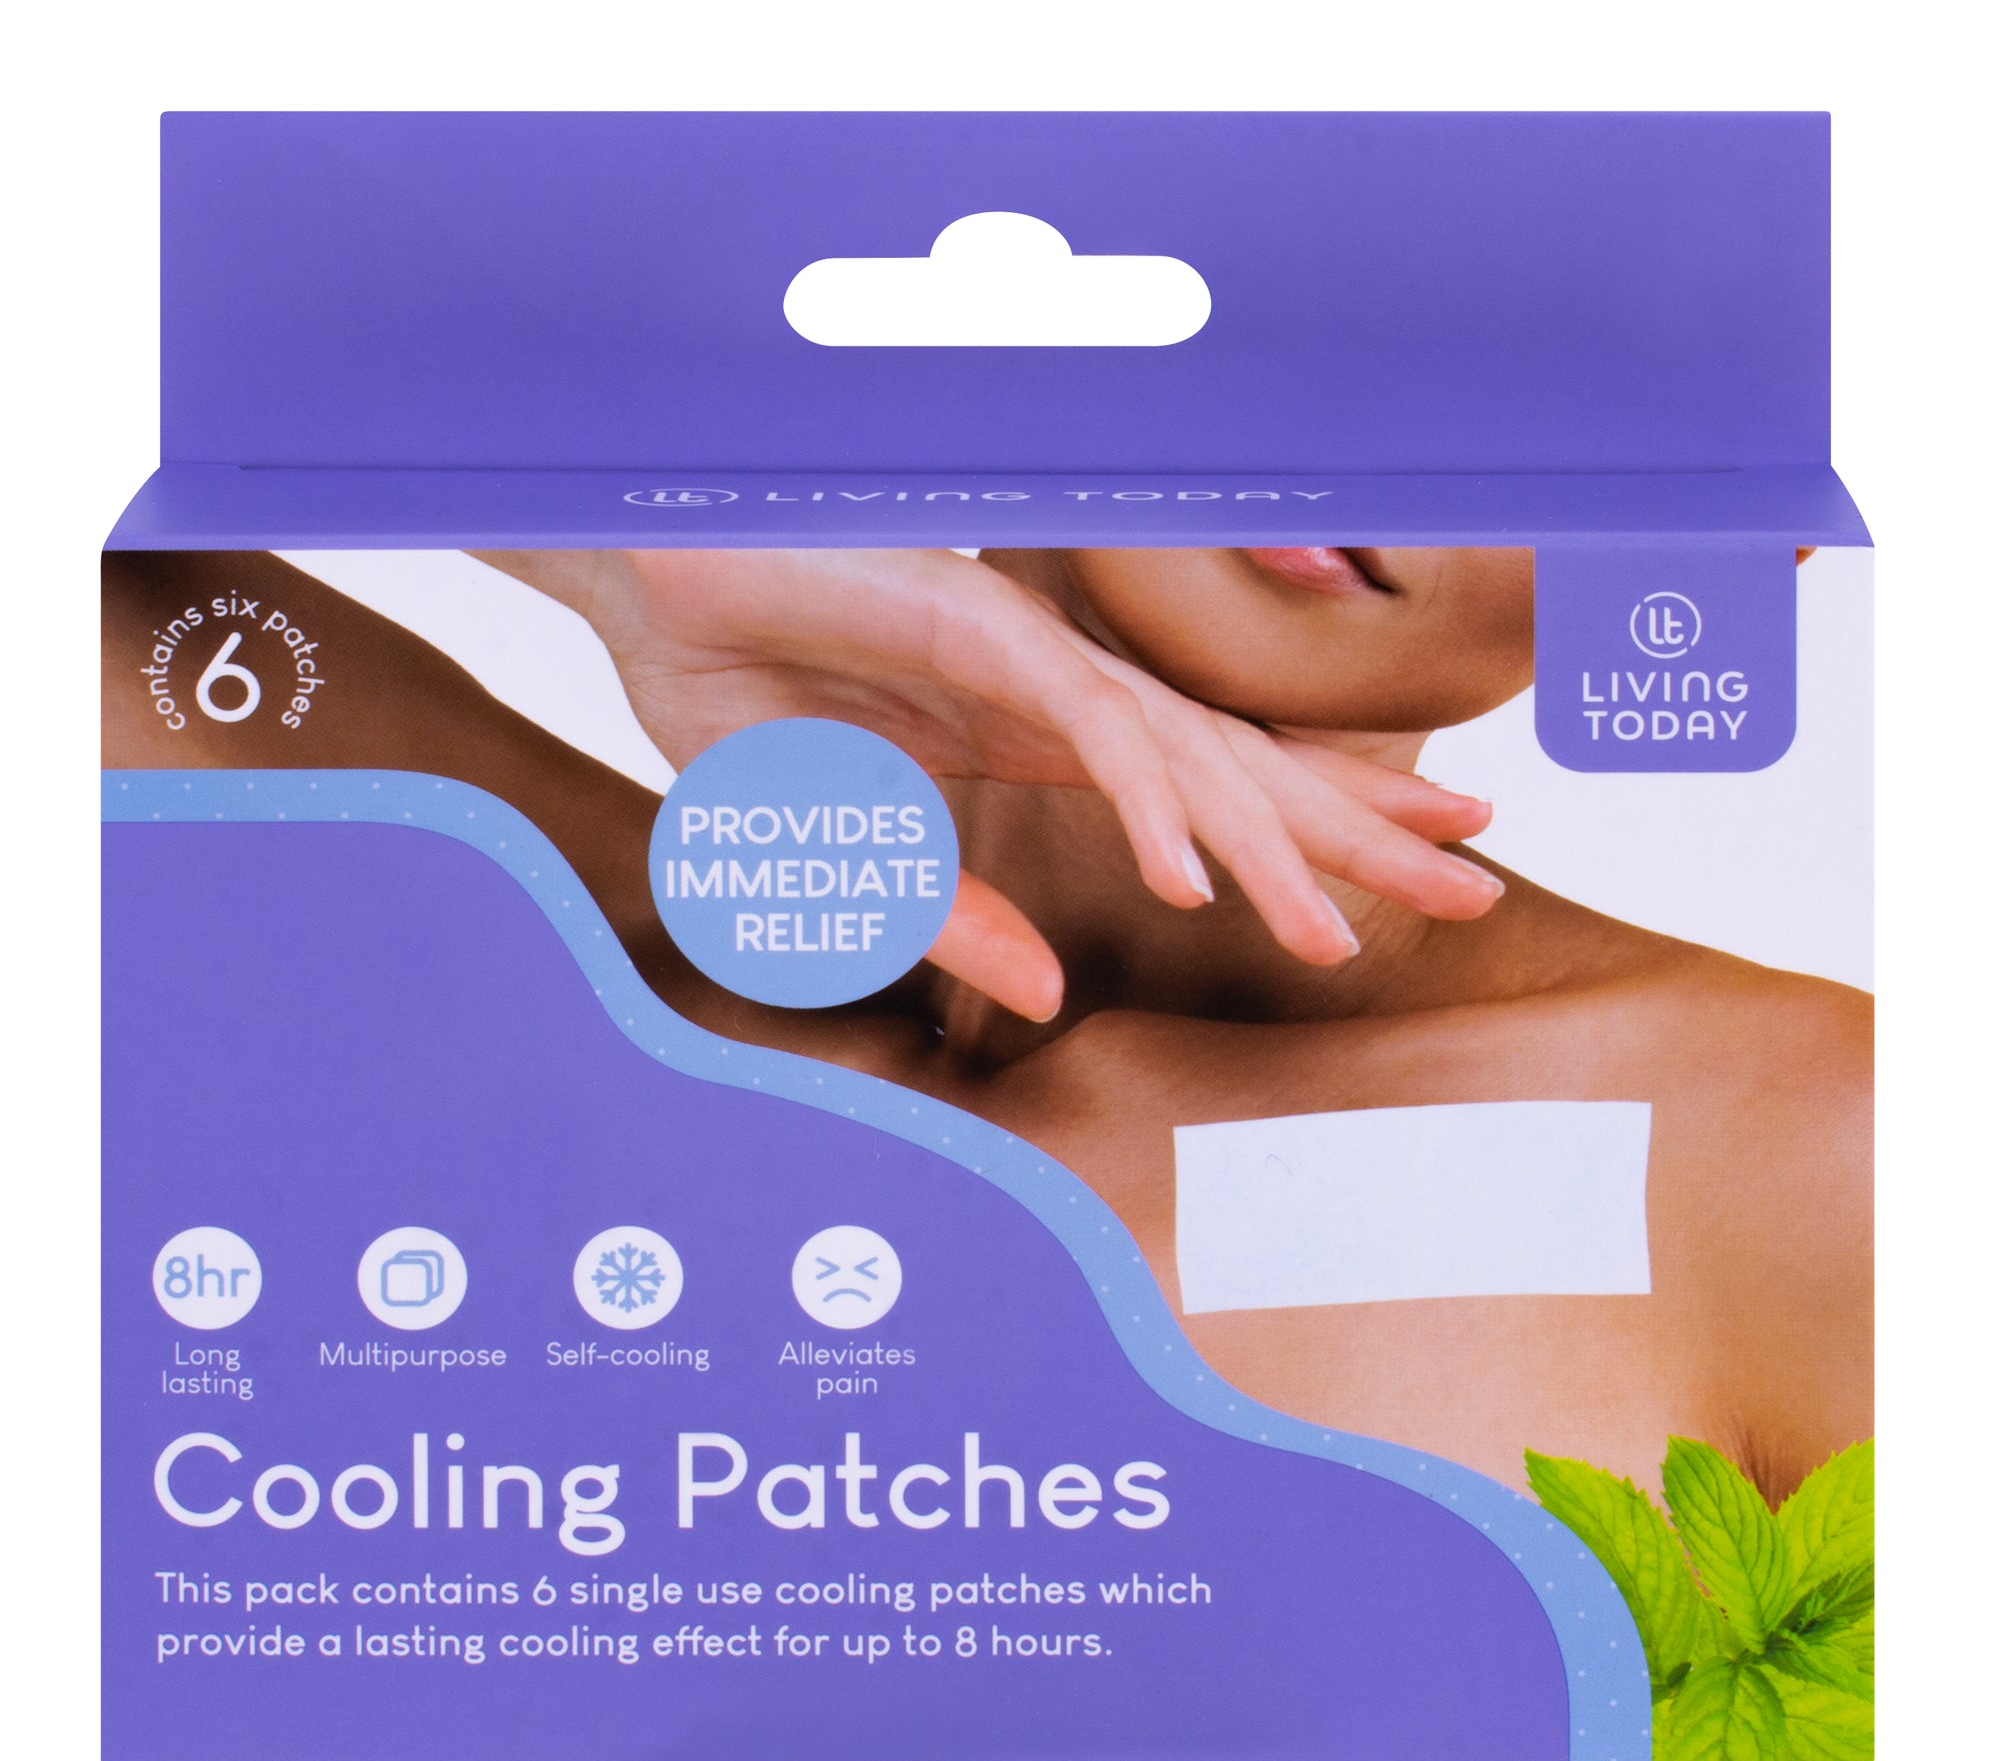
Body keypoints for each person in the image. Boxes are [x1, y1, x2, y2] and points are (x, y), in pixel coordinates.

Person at [102, 542, 1871, 1503]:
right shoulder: (487, 914)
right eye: (1292, 292)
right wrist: (631, 562)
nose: (1378, 424)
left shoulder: (1808, 1152)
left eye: (1535, 382)